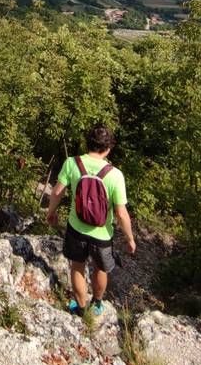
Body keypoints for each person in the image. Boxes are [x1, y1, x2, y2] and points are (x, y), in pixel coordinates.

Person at [46, 126, 136, 317]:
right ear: (108, 148)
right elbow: (121, 213)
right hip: (102, 234)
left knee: (77, 266)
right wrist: (130, 239)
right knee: (100, 268)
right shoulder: (115, 175)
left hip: (76, 229)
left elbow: (56, 192)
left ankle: (80, 307)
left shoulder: (72, 163)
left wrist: (51, 212)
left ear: (88, 143)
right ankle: (96, 304)